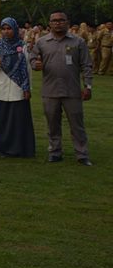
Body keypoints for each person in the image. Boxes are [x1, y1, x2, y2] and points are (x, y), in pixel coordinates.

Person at [31, 10, 93, 166]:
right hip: (50, 90)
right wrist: (35, 64)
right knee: (52, 124)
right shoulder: (42, 42)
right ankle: (55, 152)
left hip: (72, 90)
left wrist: (88, 86)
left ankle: (82, 154)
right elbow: (32, 58)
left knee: (77, 124)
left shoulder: (78, 42)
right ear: (49, 24)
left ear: (67, 22)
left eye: (61, 20)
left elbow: (86, 65)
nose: (57, 23)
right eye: (54, 20)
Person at [0, 17, 35, 158]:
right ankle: (4, 150)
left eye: (9, 28)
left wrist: (27, 88)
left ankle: (20, 149)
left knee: (19, 120)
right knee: (3, 121)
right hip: (1, 89)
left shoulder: (22, 46)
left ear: (15, 29)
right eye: (3, 29)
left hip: (18, 88)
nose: (6, 31)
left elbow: (27, 68)